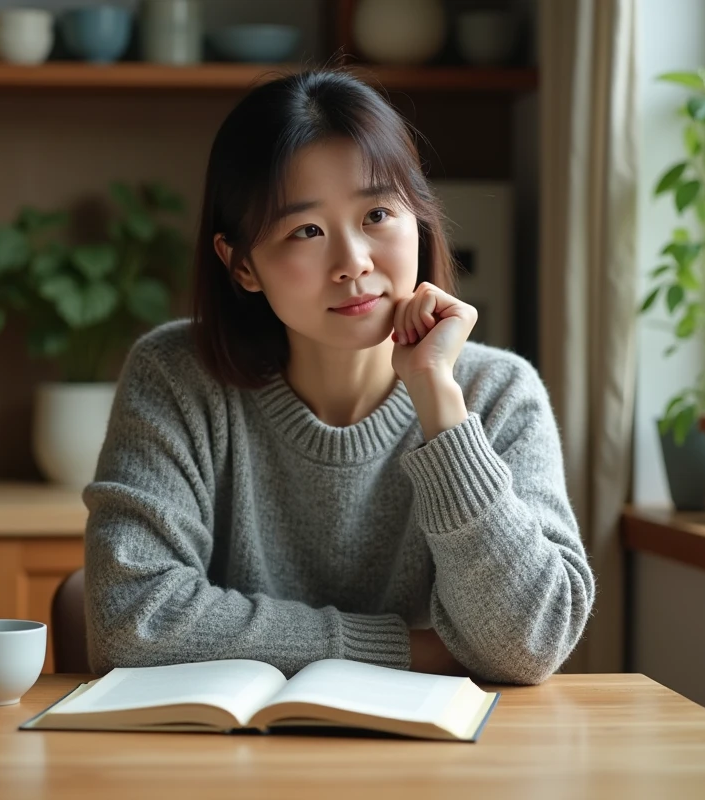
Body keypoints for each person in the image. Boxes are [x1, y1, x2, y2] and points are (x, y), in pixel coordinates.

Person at [82, 69, 594, 685]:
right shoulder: (176, 376)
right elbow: (128, 620)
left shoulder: (500, 393)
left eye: (378, 212)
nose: (353, 262)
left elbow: (529, 643)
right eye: (307, 230)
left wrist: (438, 401)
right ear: (241, 263)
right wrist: (414, 651)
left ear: (419, 219)